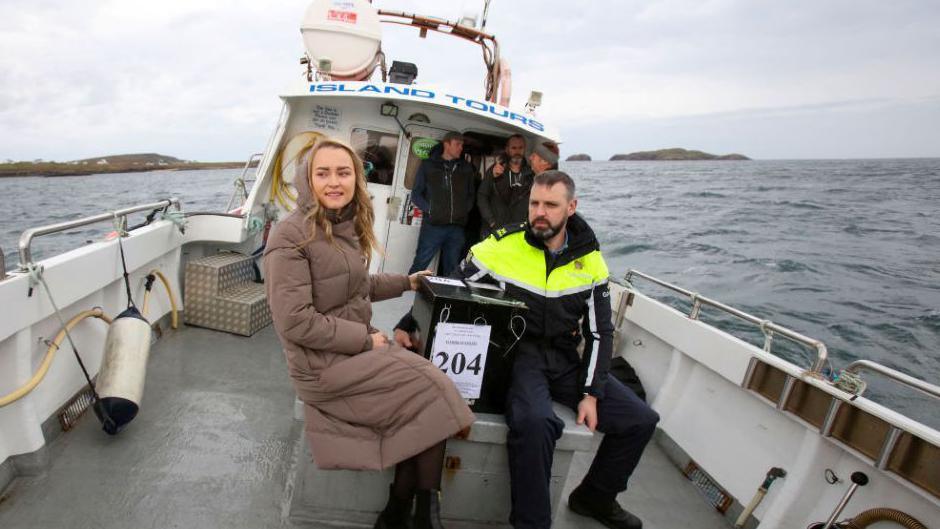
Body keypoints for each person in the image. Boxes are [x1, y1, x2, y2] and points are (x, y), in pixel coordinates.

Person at [395, 171, 659, 529]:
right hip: (518, 356)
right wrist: (408, 324)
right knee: (535, 423)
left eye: (550, 205)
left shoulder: (591, 260)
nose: (540, 212)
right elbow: (447, 285)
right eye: (535, 203)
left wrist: (591, 394)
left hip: (566, 358)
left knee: (640, 420)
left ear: (571, 207)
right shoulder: (500, 245)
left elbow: (599, 332)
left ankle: (595, 496)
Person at [264, 138, 475, 529]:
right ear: (307, 180)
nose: (334, 182)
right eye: (322, 172)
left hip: (350, 351)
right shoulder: (290, 236)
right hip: (321, 367)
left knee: (431, 387)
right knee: (432, 388)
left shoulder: (343, 225)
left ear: (356, 179)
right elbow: (294, 321)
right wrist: (365, 340)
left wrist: (409, 282)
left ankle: (400, 511)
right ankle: (419, 515)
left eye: (343, 172)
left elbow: (359, 285)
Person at [408, 131, 477, 275]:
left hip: (456, 229)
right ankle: (405, 294)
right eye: (457, 144)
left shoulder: (466, 168)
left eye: (462, 145)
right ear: (446, 144)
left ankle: (444, 297)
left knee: (452, 269)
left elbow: (471, 195)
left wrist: (463, 211)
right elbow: (416, 194)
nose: (461, 148)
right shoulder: (428, 165)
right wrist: (432, 210)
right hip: (433, 226)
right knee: (420, 264)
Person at [477, 134, 534, 238]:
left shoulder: (531, 173)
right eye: (514, 148)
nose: (517, 151)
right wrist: (491, 221)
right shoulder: (495, 170)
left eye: (520, 148)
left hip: (519, 231)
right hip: (495, 230)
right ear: (507, 149)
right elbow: (482, 196)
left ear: (524, 149)